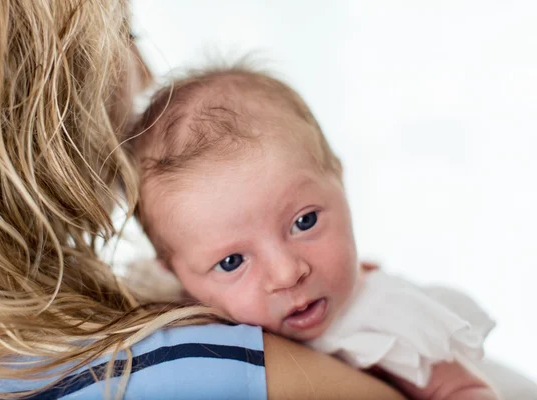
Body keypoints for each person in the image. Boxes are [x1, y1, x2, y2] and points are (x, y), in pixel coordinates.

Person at [0, 1, 407, 399]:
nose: (145, 72)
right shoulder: (189, 363)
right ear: (42, 97)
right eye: (125, 34)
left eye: (303, 222)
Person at [126, 67, 503, 399]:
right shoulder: (174, 332)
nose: (287, 273)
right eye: (232, 261)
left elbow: (466, 390)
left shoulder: (381, 322)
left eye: (304, 222)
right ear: (174, 274)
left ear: (337, 179)